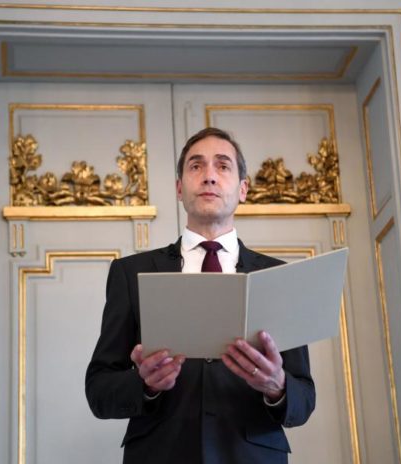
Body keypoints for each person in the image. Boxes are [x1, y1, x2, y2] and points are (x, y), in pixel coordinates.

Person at [85, 127, 315, 464]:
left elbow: (305, 398)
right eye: (196, 166)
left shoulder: (280, 277)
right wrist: (144, 384)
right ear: (179, 188)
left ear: (243, 189)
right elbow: (99, 391)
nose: (209, 176)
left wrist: (277, 385)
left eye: (222, 166)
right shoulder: (129, 273)